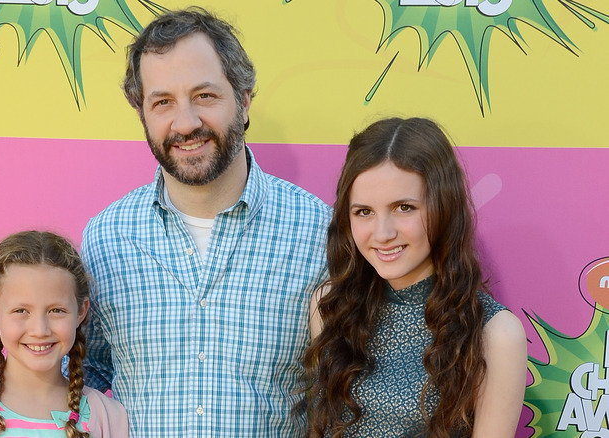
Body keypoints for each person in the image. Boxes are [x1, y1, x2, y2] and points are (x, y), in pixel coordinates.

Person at [79, 6, 331, 437]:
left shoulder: (319, 232)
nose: (186, 122)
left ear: (245, 99)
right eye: (163, 102)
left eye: (205, 96)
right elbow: (90, 376)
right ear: (142, 113)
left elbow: (345, 390)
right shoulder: (106, 239)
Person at [305, 117, 527, 437]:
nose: (382, 233)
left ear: (444, 206)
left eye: (404, 207)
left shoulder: (495, 333)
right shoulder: (329, 305)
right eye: (364, 211)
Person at [0, 231, 128, 438]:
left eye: (56, 310)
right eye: (21, 311)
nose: (40, 330)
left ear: (81, 311)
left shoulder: (109, 418)